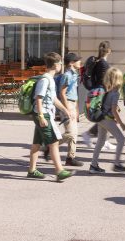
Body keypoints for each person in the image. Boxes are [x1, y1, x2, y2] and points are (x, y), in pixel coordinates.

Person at [27, 52, 72, 181]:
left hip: (43, 113)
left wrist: (64, 109)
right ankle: (59, 171)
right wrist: (41, 116)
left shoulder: (50, 79)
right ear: (56, 65)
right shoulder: (45, 79)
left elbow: (53, 98)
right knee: (53, 142)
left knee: (37, 143)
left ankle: (32, 170)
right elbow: (39, 98)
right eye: (61, 63)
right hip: (43, 114)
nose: (62, 65)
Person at [90, 67, 125, 174]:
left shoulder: (106, 89)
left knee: (100, 141)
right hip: (107, 120)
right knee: (121, 139)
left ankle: (93, 165)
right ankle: (116, 163)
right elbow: (114, 110)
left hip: (100, 118)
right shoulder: (115, 92)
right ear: (118, 79)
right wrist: (121, 123)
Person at [81, 41, 112, 146]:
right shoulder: (103, 63)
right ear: (109, 50)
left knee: (105, 115)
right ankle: (90, 134)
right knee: (105, 115)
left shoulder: (99, 61)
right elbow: (104, 80)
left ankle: (103, 139)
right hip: (101, 92)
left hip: (98, 90)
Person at [57, 53, 84, 166]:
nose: (80, 63)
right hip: (67, 104)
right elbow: (62, 93)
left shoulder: (75, 75)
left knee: (75, 133)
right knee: (71, 133)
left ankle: (70, 158)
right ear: (71, 63)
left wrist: (77, 109)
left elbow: (75, 93)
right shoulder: (67, 75)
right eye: (78, 61)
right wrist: (67, 109)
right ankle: (51, 145)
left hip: (73, 104)